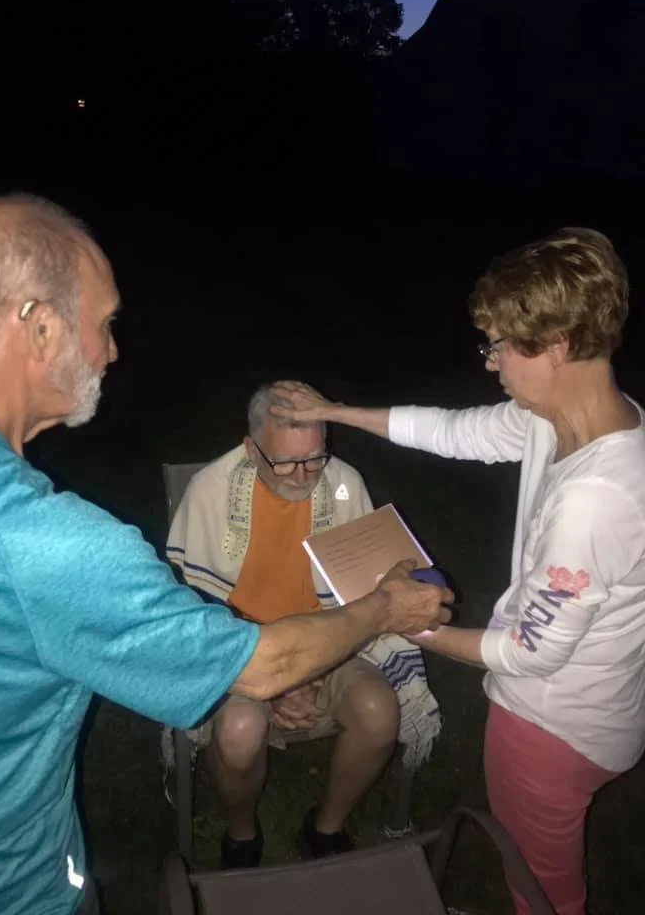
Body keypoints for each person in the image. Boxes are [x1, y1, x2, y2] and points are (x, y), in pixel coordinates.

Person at [0, 195, 453, 915]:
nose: (113, 351)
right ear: (40, 327)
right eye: (105, 324)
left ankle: (322, 827)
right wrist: (389, 604)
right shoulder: (48, 548)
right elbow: (255, 663)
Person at [269, 227, 645, 915]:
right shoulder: (563, 420)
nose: (492, 362)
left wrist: (401, 619)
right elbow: (451, 430)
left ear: (555, 346)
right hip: (601, 706)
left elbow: (525, 654)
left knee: (542, 890)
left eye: (501, 344)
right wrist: (333, 412)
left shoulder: (596, 498)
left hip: (551, 728)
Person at [165, 382, 441, 867]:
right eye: (286, 462)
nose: (304, 476)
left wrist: (312, 670)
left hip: (327, 642)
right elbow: (197, 607)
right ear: (251, 449)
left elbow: (361, 595)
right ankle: (243, 834)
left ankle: (325, 827)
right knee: (240, 728)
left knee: (379, 711)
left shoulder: (343, 483)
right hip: (244, 649)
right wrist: (274, 684)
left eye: (315, 458)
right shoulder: (210, 488)